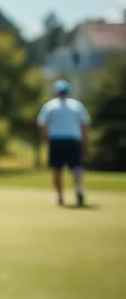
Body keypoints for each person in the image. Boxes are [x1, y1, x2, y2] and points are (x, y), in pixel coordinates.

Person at [37, 79, 91, 207]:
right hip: (73, 139)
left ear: (56, 92)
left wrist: (45, 139)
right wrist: (84, 141)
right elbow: (85, 124)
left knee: (57, 169)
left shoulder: (50, 105)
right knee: (76, 167)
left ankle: (60, 196)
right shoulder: (76, 105)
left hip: (56, 140)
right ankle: (78, 188)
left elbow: (41, 124)